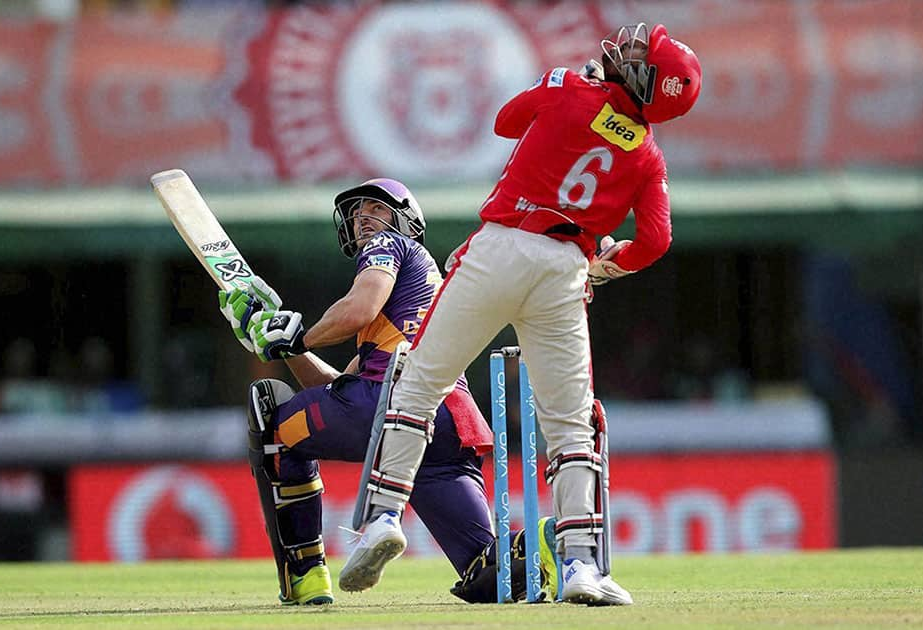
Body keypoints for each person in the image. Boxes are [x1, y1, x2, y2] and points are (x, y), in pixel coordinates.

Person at [336, 23, 702, 606]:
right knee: (570, 423)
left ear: (647, 79)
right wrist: (607, 267)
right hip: (567, 269)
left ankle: (382, 519)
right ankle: (581, 565)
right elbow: (655, 242)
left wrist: (562, 89)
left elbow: (505, 120)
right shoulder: (649, 158)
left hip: (501, 246)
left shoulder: (569, 87)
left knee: (418, 384)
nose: (622, 48)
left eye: (637, 53)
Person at [222, 179, 558, 605]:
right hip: (448, 425)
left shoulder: (390, 245)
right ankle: (547, 540)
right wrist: (281, 341)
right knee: (490, 573)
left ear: (404, 219)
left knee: (271, 416)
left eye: (376, 208)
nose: (364, 217)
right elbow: (336, 390)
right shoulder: (410, 301)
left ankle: (306, 575)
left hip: (393, 406)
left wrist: (298, 336)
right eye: (358, 211)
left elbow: (359, 311)